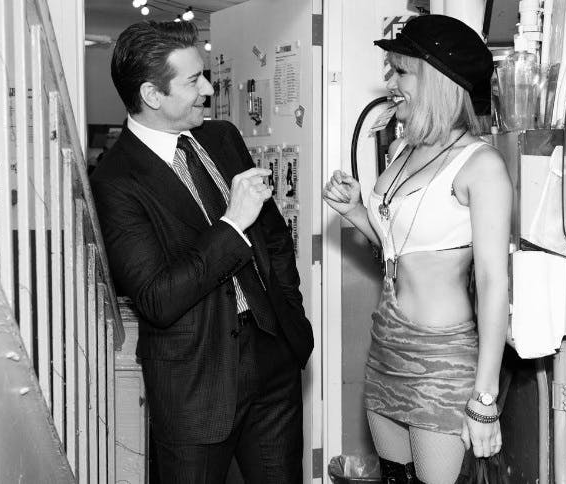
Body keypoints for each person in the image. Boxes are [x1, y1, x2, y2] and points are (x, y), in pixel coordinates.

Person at [91, 20, 313, 483]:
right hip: (195, 382)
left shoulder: (223, 138)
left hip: (273, 360)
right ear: (152, 95)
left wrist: (291, 319)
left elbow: (273, 236)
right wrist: (231, 224)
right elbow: (158, 297)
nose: (209, 90)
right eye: (194, 81)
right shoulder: (115, 181)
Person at [323, 15, 511, 484]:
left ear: (437, 80)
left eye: (401, 71)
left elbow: (493, 283)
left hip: (439, 360)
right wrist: (356, 211)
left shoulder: (481, 165)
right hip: (385, 347)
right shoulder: (405, 149)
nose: (391, 83)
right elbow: (399, 247)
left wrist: (484, 400)